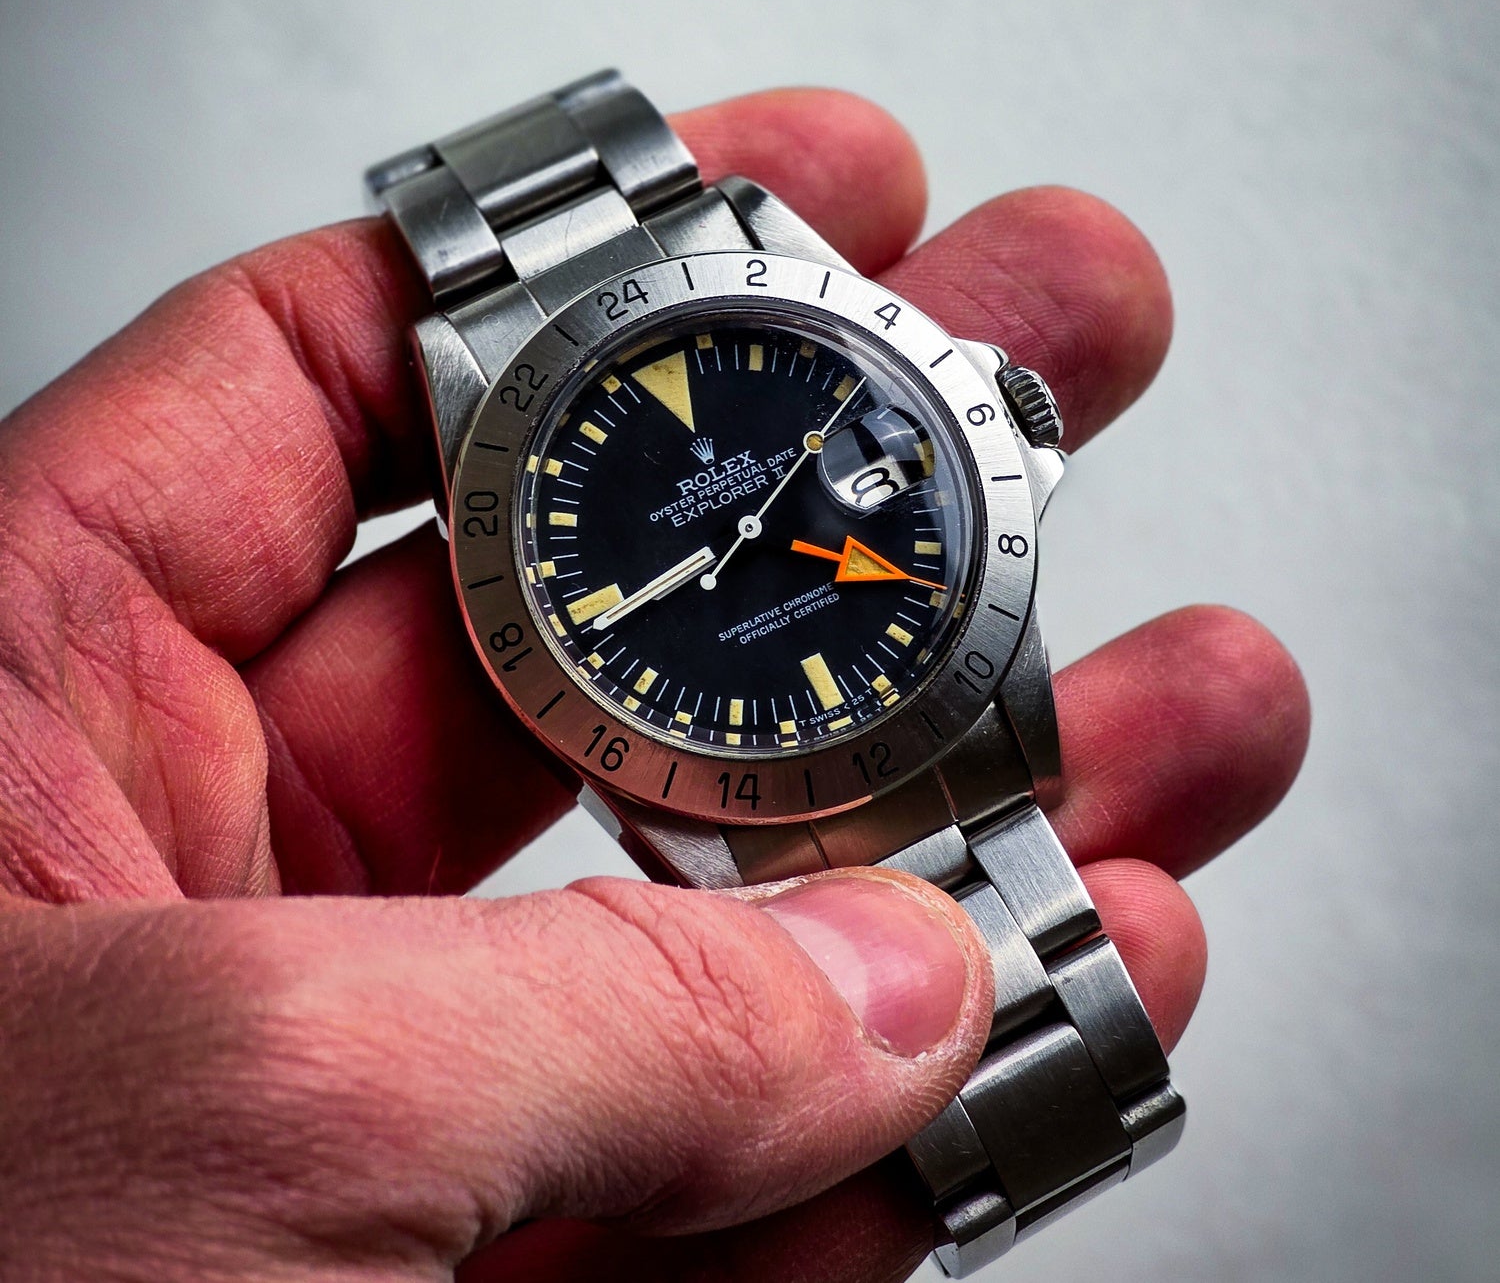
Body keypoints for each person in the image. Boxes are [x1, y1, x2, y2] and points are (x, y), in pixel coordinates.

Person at [0, 88, 1309, 1282]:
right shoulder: (487, 386)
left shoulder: (812, 333)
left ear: (996, 417)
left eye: (758, 522)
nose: (743, 537)